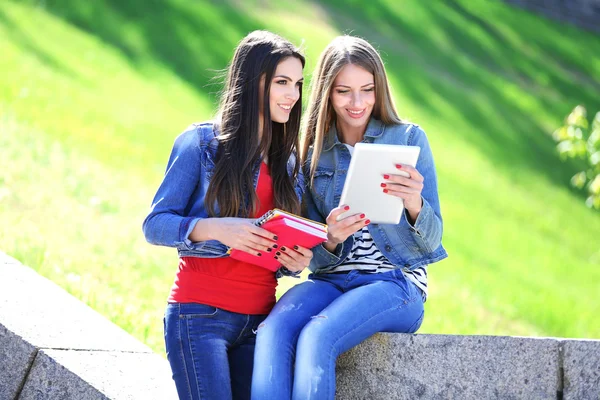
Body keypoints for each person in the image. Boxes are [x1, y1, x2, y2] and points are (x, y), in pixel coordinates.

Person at [251, 35, 448, 400]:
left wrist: (414, 204)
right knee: (273, 330)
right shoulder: (312, 153)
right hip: (332, 282)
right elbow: (310, 252)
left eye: (367, 90)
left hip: (395, 285)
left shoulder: (408, 137)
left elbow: (433, 241)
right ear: (327, 93)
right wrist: (331, 237)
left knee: (318, 335)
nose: (357, 103)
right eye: (344, 92)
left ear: (379, 89)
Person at [143, 30, 314, 400]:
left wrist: (294, 260)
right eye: (282, 82)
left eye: (298, 84)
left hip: (261, 325)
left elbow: (276, 254)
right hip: (199, 316)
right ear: (253, 82)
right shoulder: (201, 143)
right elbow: (155, 225)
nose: (293, 95)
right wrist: (218, 228)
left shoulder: (288, 162)